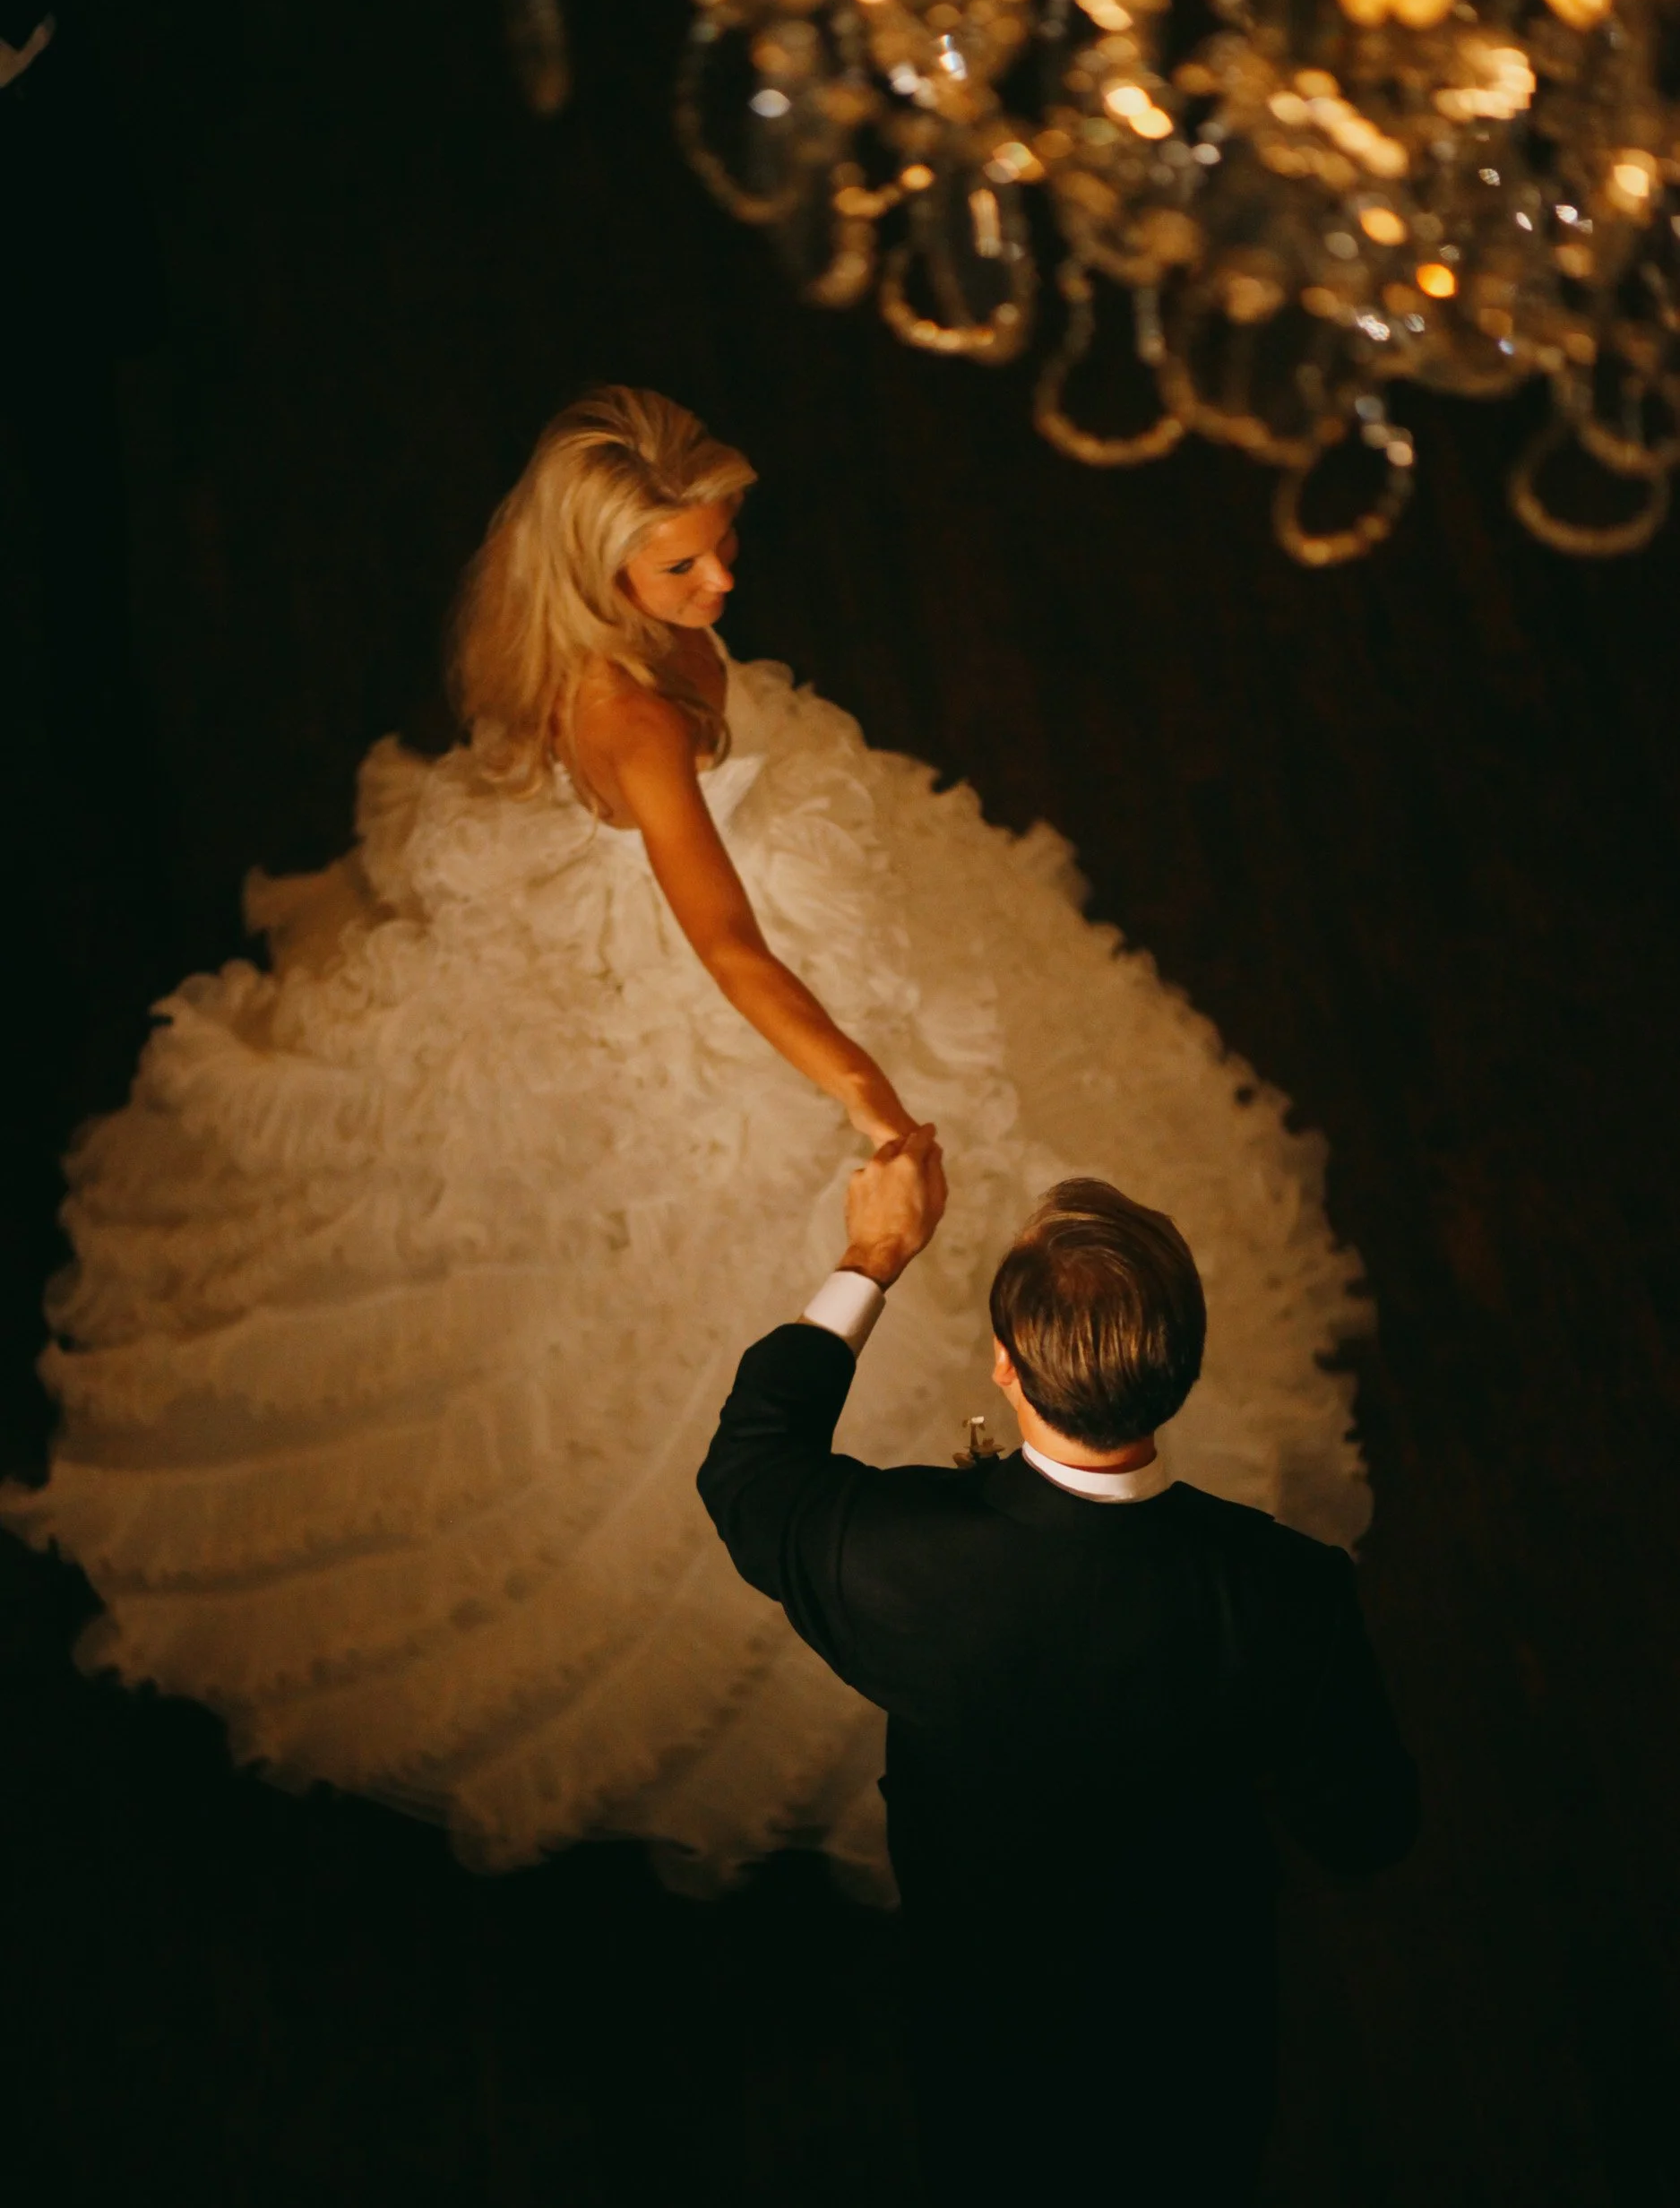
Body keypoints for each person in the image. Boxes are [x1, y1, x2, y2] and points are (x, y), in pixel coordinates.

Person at [4, 386, 1374, 1896]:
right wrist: (863, 1087)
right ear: (602, 583)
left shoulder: (651, 653)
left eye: (725, 551)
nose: (725, 588)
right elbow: (726, 951)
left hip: (766, 877)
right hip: (697, 965)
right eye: (685, 572)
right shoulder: (629, 718)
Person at [701, 1138, 1418, 2203]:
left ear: (1007, 1362)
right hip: (1197, 2016)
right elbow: (1365, 1828)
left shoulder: (891, 1552)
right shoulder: (1287, 1592)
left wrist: (873, 1254)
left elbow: (751, 1465)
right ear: (1181, 1366)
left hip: (983, 1996)